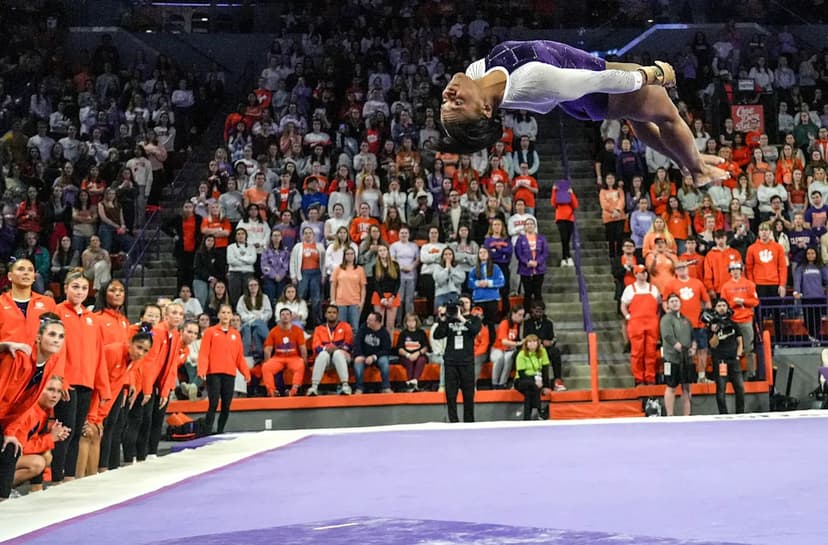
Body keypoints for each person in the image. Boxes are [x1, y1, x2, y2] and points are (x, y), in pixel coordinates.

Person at [438, 40, 727, 186]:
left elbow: (549, 101)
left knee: (639, 116)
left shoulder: (477, 73)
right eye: (457, 105)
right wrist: (651, 74)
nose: (448, 96)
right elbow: (597, 81)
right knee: (664, 112)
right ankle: (697, 170)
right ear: (486, 109)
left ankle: (689, 161)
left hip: (584, 81)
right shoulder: (530, 80)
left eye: (446, 103)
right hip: (592, 92)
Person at [51, 269, 110, 483]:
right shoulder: (57, 312)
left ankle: (69, 478)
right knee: (65, 432)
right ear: (66, 288)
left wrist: (103, 387)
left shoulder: (92, 319)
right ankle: (57, 478)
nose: (80, 291)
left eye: (84, 288)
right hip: (66, 382)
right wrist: (59, 379)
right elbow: (54, 350)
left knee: (77, 433)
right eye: (75, 287)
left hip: (86, 382)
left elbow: (99, 354)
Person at [0, 314, 66, 499]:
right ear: (38, 337)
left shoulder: (49, 364)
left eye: (61, 336)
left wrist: (10, 432)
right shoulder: (19, 357)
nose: (56, 340)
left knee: (9, 451)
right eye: (52, 334)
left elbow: (26, 402)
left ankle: (3, 506)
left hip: (6, 418)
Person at [4, 377, 69, 497]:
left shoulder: (43, 410)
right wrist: (50, 438)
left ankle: (13, 487)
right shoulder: (28, 412)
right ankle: (4, 488)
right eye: (50, 390)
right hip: (7, 454)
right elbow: (19, 448)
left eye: (59, 391)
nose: (55, 395)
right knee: (37, 463)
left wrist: (51, 430)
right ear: (38, 390)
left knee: (46, 456)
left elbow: (31, 437)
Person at [198, 304, 251, 434]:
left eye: (228, 312)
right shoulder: (210, 332)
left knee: (226, 405)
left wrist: (246, 372)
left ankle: (220, 431)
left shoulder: (236, 335)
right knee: (213, 403)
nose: (226, 315)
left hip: (229, 373)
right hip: (213, 373)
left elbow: (239, 357)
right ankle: (207, 431)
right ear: (219, 315)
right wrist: (202, 370)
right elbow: (204, 353)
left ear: (232, 315)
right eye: (223, 312)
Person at [433, 300, 482, 423]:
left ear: (471, 305)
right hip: (451, 362)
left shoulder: (474, 319)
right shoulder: (449, 319)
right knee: (450, 396)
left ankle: (469, 423)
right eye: (462, 303)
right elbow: (437, 335)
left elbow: (475, 330)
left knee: (469, 396)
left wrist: (460, 317)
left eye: (466, 302)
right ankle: (453, 422)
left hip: (467, 362)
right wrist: (443, 320)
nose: (464, 305)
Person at [620, 264, 662, 385]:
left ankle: (650, 377)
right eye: (641, 272)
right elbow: (623, 306)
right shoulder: (629, 289)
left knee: (651, 351)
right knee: (637, 352)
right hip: (636, 323)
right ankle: (638, 378)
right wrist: (628, 316)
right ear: (636, 274)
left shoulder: (653, 288)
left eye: (645, 272)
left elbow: (659, 305)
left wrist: (656, 318)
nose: (643, 274)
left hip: (651, 323)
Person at [719, 262, 759, 380]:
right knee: (731, 349)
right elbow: (723, 305)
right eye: (732, 269)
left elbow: (755, 302)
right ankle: (732, 374)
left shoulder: (749, 284)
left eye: (737, 269)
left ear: (741, 270)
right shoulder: (725, 287)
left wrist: (744, 301)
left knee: (749, 348)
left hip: (746, 319)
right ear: (729, 272)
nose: (735, 271)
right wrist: (733, 304)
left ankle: (751, 373)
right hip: (732, 321)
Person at [660, 293, 696, 416]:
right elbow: (668, 336)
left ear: (680, 303)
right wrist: (680, 347)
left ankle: (687, 415)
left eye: (676, 301)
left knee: (687, 387)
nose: (675, 303)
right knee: (671, 386)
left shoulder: (686, 320)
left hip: (686, 359)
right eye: (672, 301)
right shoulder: (666, 319)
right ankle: (670, 415)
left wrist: (693, 347)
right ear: (668, 305)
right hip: (671, 358)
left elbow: (693, 336)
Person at [706, 298, 745, 414]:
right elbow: (712, 345)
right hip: (720, 361)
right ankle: (723, 414)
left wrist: (738, 355)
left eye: (724, 305)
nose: (722, 308)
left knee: (740, 389)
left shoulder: (733, 324)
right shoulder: (711, 326)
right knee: (721, 390)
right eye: (719, 306)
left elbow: (740, 341)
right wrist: (714, 332)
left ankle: (740, 413)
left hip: (734, 360)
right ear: (715, 309)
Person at [261, 308, 308, 397]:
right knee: (266, 367)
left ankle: (294, 390)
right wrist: (268, 361)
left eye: (287, 314)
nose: (285, 316)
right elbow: (267, 349)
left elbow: (303, 348)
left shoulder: (297, 330)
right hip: (278, 358)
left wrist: (305, 361)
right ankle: (271, 391)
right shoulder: (274, 331)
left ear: (291, 317)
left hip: (293, 358)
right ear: (280, 317)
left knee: (300, 364)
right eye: (283, 314)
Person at [308, 304, 353, 396]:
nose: (331, 314)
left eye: (334, 312)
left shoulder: (346, 326)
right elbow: (316, 346)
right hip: (327, 360)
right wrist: (326, 349)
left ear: (337, 314)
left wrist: (335, 349)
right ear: (325, 315)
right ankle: (314, 387)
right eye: (329, 312)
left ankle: (345, 385)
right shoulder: (319, 329)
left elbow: (348, 344)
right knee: (323, 354)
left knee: (337, 353)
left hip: (343, 357)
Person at [523, 301, 566, 391]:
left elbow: (554, 338)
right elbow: (523, 338)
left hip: (546, 348)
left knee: (555, 352)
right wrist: (540, 342)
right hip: (530, 348)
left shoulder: (549, 322)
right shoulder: (526, 322)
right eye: (536, 311)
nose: (538, 314)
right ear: (532, 310)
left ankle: (557, 380)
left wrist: (551, 343)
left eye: (541, 311)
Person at [352, 312, 393, 394]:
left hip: (377, 356)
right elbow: (357, 343)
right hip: (364, 355)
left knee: (384, 361)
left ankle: (386, 387)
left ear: (377, 322)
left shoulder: (384, 333)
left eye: (370, 320)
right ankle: (359, 388)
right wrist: (359, 355)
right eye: (368, 319)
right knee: (357, 362)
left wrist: (374, 357)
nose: (367, 321)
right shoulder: (364, 328)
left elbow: (386, 350)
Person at [514, 334, 549, 420]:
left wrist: (545, 386)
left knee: (529, 392)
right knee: (532, 385)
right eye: (529, 341)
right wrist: (535, 381)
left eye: (534, 341)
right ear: (526, 344)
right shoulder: (521, 354)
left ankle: (527, 417)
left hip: (536, 379)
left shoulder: (543, 352)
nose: (532, 343)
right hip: (521, 380)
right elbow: (521, 373)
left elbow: (545, 370)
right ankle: (539, 411)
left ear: (538, 343)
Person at [490, 307, 525, 389]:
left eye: (522, 315)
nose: (521, 317)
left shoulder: (519, 325)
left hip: (510, 349)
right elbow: (504, 341)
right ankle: (494, 383)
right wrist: (518, 343)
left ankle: (502, 383)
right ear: (513, 314)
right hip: (497, 348)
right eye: (519, 315)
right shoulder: (504, 323)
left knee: (508, 358)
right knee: (499, 358)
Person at [395, 313, 430, 392]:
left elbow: (426, 347)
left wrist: (417, 353)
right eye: (409, 321)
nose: (411, 323)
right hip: (406, 356)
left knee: (421, 360)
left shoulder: (421, 333)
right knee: (409, 362)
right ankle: (412, 384)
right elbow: (400, 349)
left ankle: (413, 382)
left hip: (419, 355)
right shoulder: (403, 334)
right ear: (406, 322)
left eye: (413, 321)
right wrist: (408, 355)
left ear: (416, 322)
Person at [550, 180, 578, 266]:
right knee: (564, 238)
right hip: (560, 218)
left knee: (568, 239)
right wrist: (554, 191)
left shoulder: (569, 193)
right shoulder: (557, 193)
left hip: (570, 218)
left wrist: (571, 193)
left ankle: (566, 257)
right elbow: (553, 203)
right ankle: (566, 257)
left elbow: (575, 205)